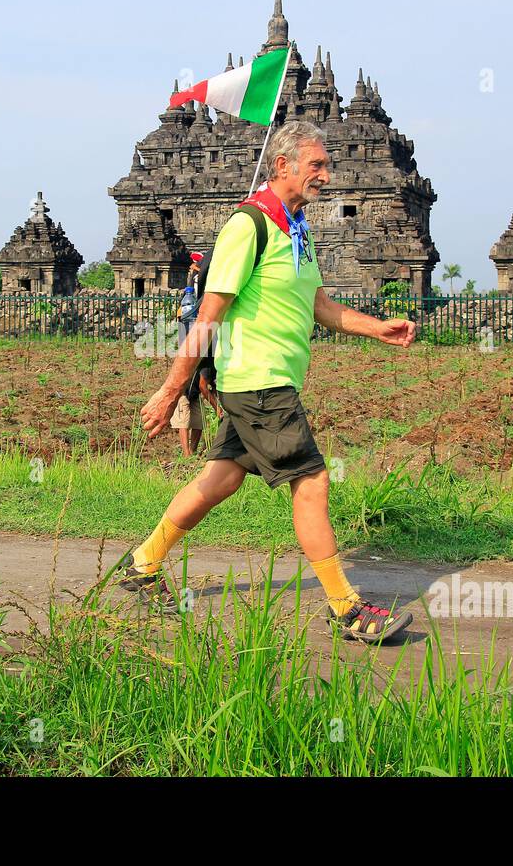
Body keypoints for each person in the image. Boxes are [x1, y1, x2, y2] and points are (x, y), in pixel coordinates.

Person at [121, 120, 419, 643]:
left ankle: (143, 564)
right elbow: (210, 314)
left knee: (223, 478)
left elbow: (319, 305)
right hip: (257, 381)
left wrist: (379, 328)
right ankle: (347, 609)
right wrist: (172, 390)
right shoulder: (249, 225)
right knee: (312, 481)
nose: (327, 175)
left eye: (327, 164)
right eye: (317, 165)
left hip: (266, 381)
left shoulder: (294, 230)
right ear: (282, 166)